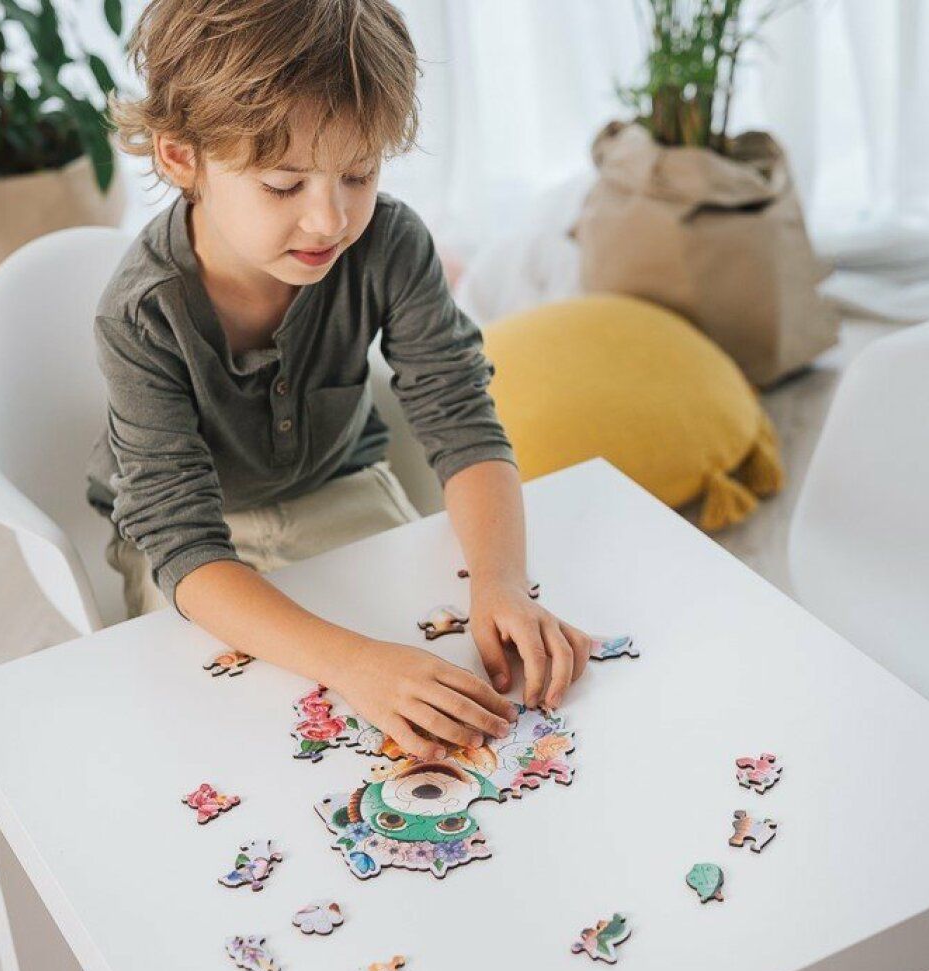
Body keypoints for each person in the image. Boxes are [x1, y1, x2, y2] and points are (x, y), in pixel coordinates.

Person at [86, 0, 593, 760]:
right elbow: (183, 547)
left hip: (339, 486)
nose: (329, 220)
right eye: (284, 185)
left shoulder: (390, 243)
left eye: (358, 173)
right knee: (234, 733)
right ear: (181, 157)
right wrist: (353, 663)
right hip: (194, 545)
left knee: (427, 681)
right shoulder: (141, 314)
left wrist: (501, 583)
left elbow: (462, 422)